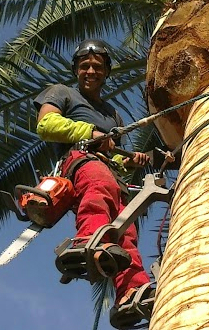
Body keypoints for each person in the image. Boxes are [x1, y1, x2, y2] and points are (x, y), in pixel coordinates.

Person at [33, 39, 155, 329]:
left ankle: (131, 292)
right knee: (98, 189)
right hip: (81, 162)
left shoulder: (113, 115)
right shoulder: (61, 93)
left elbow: (113, 154)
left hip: (112, 176)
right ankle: (88, 241)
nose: (90, 71)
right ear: (76, 69)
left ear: (106, 72)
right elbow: (46, 126)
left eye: (97, 67)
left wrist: (130, 161)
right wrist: (91, 131)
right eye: (84, 66)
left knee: (127, 234)